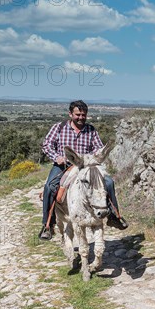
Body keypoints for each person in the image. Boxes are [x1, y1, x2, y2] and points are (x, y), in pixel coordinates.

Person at [38, 100, 127, 240]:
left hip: (85, 166)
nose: (80, 118)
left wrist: (97, 157)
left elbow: (98, 147)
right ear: (70, 114)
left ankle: (114, 216)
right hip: (64, 166)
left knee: (108, 182)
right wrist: (57, 157)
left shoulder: (91, 130)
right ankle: (48, 224)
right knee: (50, 187)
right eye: (77, 114)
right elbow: (47, 145)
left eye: (83, 115)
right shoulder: (59, 127)